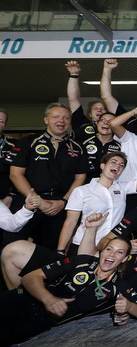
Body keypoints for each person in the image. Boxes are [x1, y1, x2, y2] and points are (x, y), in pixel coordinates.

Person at [0, 212, 130, 347]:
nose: (112, 253)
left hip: (41, 320)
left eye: (120, 252)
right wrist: (49, 299)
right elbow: (84, 257)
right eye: (109, 249)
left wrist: (128, 309)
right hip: (31, 295)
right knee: (14, 255)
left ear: (125, 258)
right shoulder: (85, 261)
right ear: (102, 252)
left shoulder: (119, 284)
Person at [7, 103, 87, 250]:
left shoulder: (78, 147)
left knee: (51, 253)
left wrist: (63, 201)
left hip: (59, 206)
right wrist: (39, 202)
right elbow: (15, 174)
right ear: (46, 120)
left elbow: (80, 178)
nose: (61, 121)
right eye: (56, 117)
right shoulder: (27, 142)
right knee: (11, 247)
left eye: (66, 117)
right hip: (27, 202)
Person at [56, 147, 137, 256]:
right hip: (83, 244)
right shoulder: (82, 191)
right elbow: (70, 223)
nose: (117, 166)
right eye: (113, 162)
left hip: (110, 247)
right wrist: (60, 250)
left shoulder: (122, 188)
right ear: (102, 166)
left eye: (121, 165)